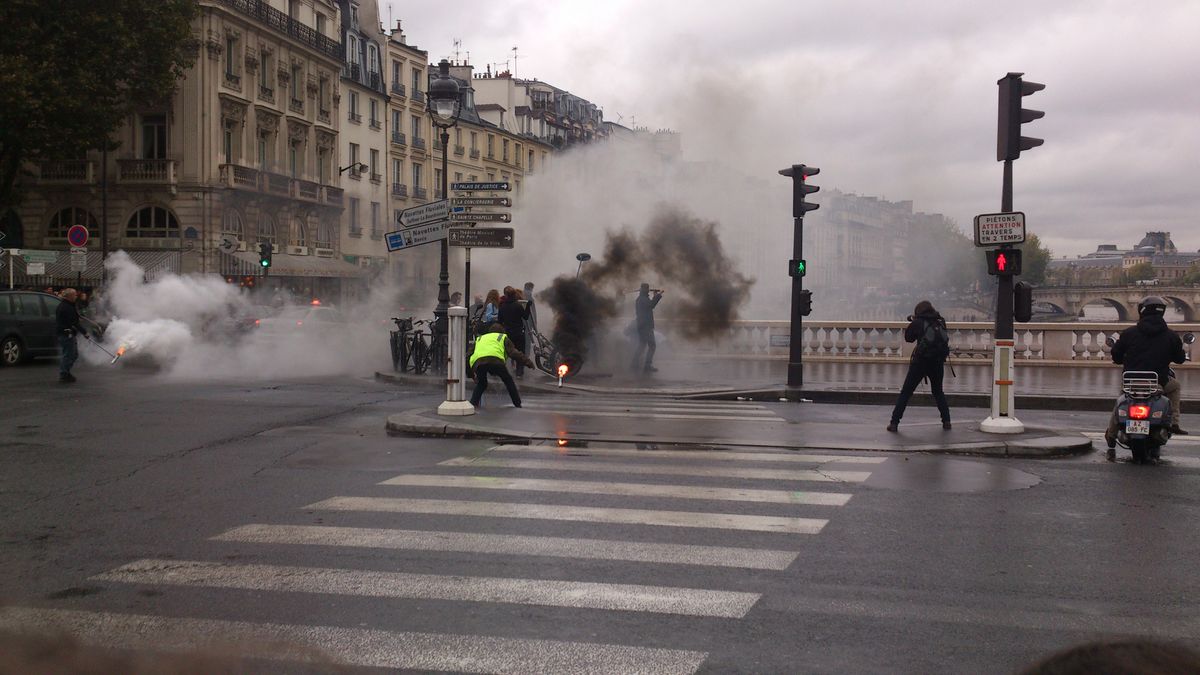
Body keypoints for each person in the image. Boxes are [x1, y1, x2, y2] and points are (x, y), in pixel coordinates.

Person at [1104, 296, 1188, 457]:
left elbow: (1116, 355)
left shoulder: (1129, 333)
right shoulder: (1171, 336)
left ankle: (1111, 434)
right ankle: (1175, 423)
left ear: (1142, 311)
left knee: (1122, 399)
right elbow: (1179, 358)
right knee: (1175, 386)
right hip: (1158, 382)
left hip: (1131, 382)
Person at [887, 300, 952, 431]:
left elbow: (908, 338)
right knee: (938, 392)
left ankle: (894, 423)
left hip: (920, 362)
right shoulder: (940, 321)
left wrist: (913, 322)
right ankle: (946, 421)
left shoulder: (918, 322)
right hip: (937, 362)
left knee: (906, 392)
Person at [468, 323, 535, 408]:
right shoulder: (502, 337)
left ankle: (473, 403)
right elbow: (514, 353)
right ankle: (517, 403)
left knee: (482, 383)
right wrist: (528, 363)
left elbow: (468, 355)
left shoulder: (480, 338)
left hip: (479, 362)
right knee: (508, 380)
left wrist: (470, 374)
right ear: (502, 331)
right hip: (496, 361)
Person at [55, 288, 87, 384]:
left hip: (67, 333)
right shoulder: (66, 307)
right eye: (74, 295)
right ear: (69, 296)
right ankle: (64, 374)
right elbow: (74, 323)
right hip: (66, 333)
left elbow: (73, 320)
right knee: (69, 354)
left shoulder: (66, 306)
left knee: (72, 354)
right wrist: (85, 332)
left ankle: (66, 372)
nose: (76, 296)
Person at [498, 286, 532, 377]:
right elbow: (525, 316)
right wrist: (528, 306)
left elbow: (499, 321)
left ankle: (501, 371)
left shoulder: (502, 306)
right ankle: (519, 372)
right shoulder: (518, 305)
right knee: (520, 352)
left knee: (505, 352)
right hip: (518, 332)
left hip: (507, 333)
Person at [632, 283, 663, 373]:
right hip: (645, 326)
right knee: (652, 345)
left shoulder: (641, 299)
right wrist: (658, 296)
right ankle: (647, 365)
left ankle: (634, 364)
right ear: (644, 289)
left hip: (642, 325)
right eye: (647, 288)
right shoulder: (642, 299)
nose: (648, 290)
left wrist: (655, 296)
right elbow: (651, 305)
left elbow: (650, 305)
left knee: (642, 345)